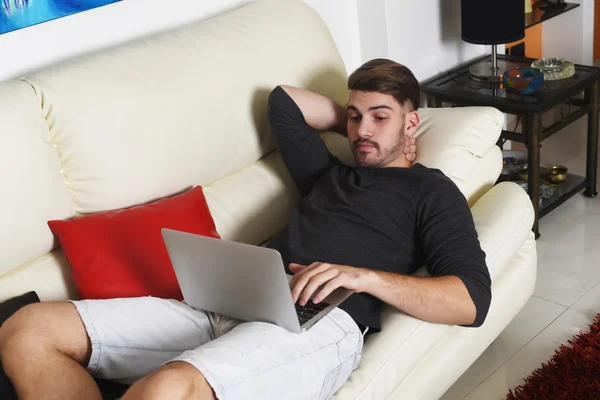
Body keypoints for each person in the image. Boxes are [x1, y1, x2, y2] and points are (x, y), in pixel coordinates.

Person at [0, 59, 491, 400]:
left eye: (381, 117)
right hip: (232, 302)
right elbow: (284, 102)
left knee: (168, 387)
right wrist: (360, 123)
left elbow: (471, 301)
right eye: (356, 116)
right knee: (29, 329)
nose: (363, 131)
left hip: (318, 325)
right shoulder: (328, 173)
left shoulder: (432, 192)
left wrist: (364, 278)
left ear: (413, 123)